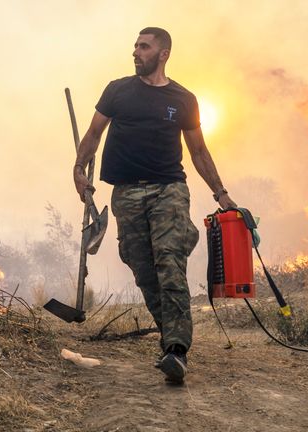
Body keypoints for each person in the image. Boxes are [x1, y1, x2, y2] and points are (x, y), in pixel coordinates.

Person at [72, 27, 237, 384]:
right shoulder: (117, 90)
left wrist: (220, 193)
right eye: (135, 46)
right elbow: (93, 134)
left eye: (143, 47)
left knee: (169, 262)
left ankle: (177, 350)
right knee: (142, 267)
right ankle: (170, 340)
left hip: (169, 190)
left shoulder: (183, 99)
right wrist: (78, 168)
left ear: (163, 54)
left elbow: (198, 151)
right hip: (125, 192)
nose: (135, 52)